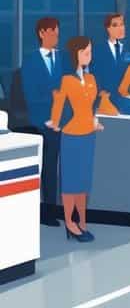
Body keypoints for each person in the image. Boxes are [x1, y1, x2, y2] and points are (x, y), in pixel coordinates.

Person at [49, 36, 105, 242]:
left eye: (90, 52)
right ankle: (70, 223)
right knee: (70, 182)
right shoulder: (67, 80)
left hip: (88, 134)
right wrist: (55, 123)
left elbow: (93, 106)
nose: (89, 56)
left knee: (83, 181)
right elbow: (59, 104)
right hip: (71, 134)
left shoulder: (91, 80)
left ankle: (82, 221)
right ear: (76, 54)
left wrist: (94, 121)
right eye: (86, 52)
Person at [19, 17, 68, 226]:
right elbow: (30, 95)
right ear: (41, 33)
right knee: (49, 165)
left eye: (57, 31)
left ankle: (62, 207)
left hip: (65, 119)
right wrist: (54, 99)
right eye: (52, 32)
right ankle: (47, 210)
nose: (56, 35)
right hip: (42, 120)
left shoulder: (64, 58)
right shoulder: (30, 61)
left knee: (66, 164)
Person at [92, 13, 130, 96]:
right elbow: (94, 73)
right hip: (107, 97)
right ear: (108, 28)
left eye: (122, 25)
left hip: (129, 96)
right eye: (115, 25)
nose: (120, 28)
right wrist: (99, 90)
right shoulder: (98, 50)